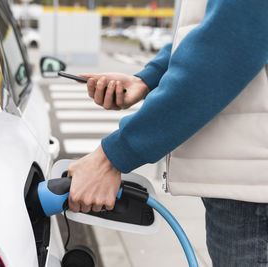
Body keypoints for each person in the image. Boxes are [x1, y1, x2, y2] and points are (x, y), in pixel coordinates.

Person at [67, 0, 268, 266]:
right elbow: (209, 28)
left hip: (253, 198)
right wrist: (148, 78)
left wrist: (111, 157)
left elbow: (228, 43)